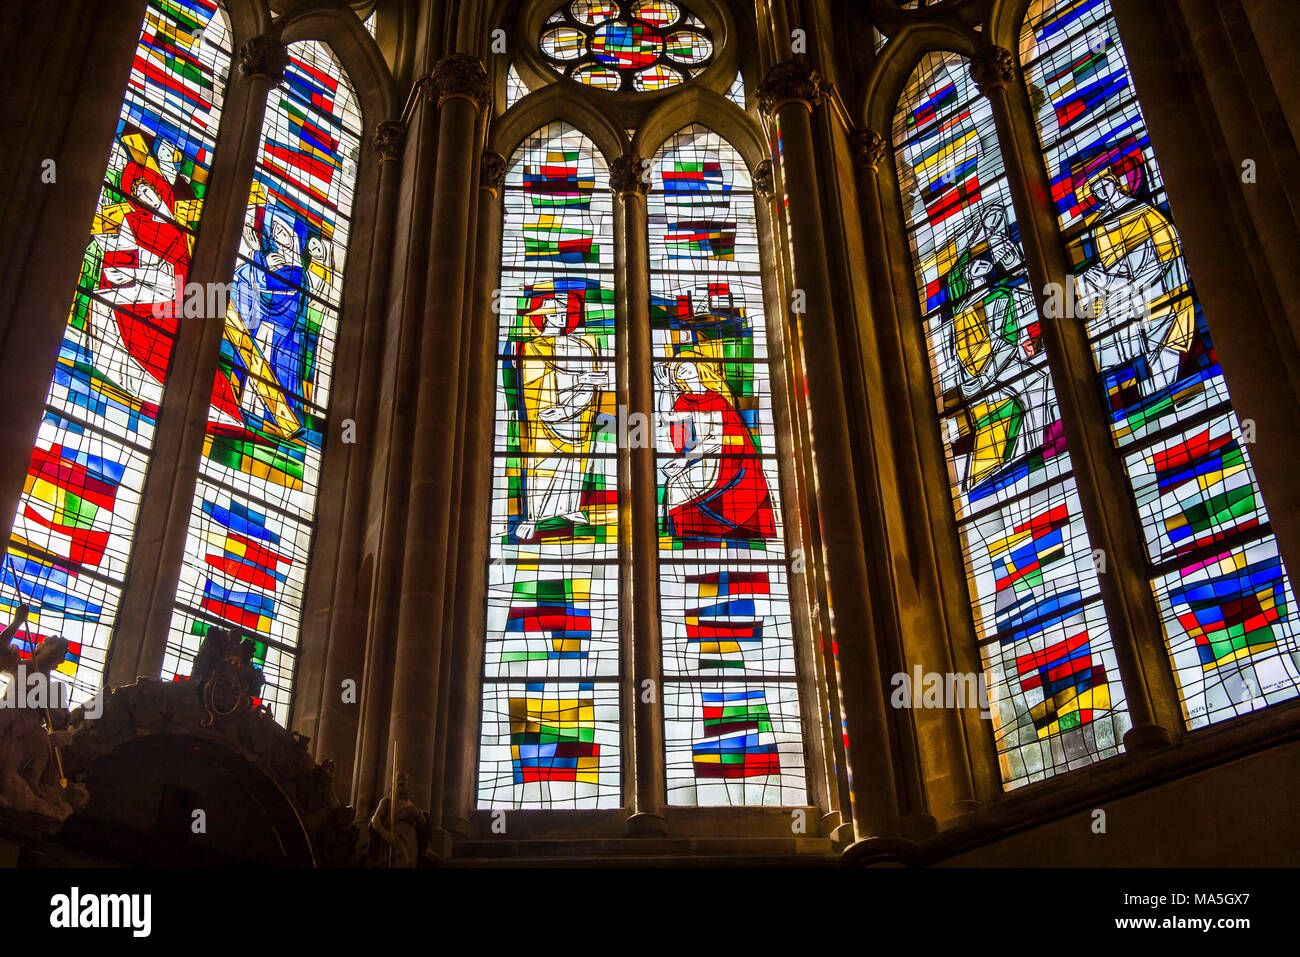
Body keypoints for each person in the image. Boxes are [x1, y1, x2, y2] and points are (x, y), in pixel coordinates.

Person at [1076, 167, 1195, 396]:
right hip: (1127, 299)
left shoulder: (1143, 211)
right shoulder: (1100, 226)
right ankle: (1155, 392)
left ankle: (1167, 390)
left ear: (1115, 181)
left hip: (1158, 291)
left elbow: (1166, 254)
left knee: (1161, 341)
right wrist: (1102, 281)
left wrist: (1113, 282)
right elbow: (1111, 265)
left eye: (1105, 183)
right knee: (1133, 345)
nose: (1102, 190)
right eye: (1096, 189)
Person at [514, 290, 606, 541]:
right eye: (555, 313)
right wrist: (563, 402)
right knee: (542, 461)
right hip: (547, 411)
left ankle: (569, 507)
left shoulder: (582, 345)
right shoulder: (533, 347)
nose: (562, 316)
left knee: (575, 461)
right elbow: (534, 382)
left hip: (579, 412)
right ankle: (533, 516)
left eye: (564, 312)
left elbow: (595, 378)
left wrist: (585, 390)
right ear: (543, 317)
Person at [661, 354, 774, 544]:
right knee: (674, 484)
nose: (682, 369)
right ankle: (689, 534)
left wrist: (685, 459)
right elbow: (667, 418)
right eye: (678, 369)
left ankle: (723, 532)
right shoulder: (683, 400)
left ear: (700, 368)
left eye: (685, 365)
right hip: (699, 456)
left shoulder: (718, 399)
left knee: (681, 485)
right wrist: (665, 387)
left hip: (728, 458)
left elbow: (719, 438)